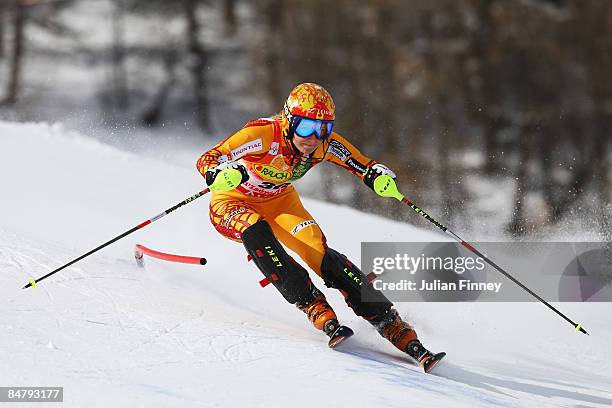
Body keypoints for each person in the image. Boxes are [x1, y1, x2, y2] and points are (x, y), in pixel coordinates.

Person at [196, 83, 443, 372]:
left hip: (280, 203)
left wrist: (377, 178)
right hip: (233, 203)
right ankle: (312, 303)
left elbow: (362, 165)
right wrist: (218, 174)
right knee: (257, 232)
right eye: (305, 128)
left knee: (319, 253)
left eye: (322, 129)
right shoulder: (262, 134)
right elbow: (209, 159)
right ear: (289, 122)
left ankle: (392, 323)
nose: (313, 138)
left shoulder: (325, 144)